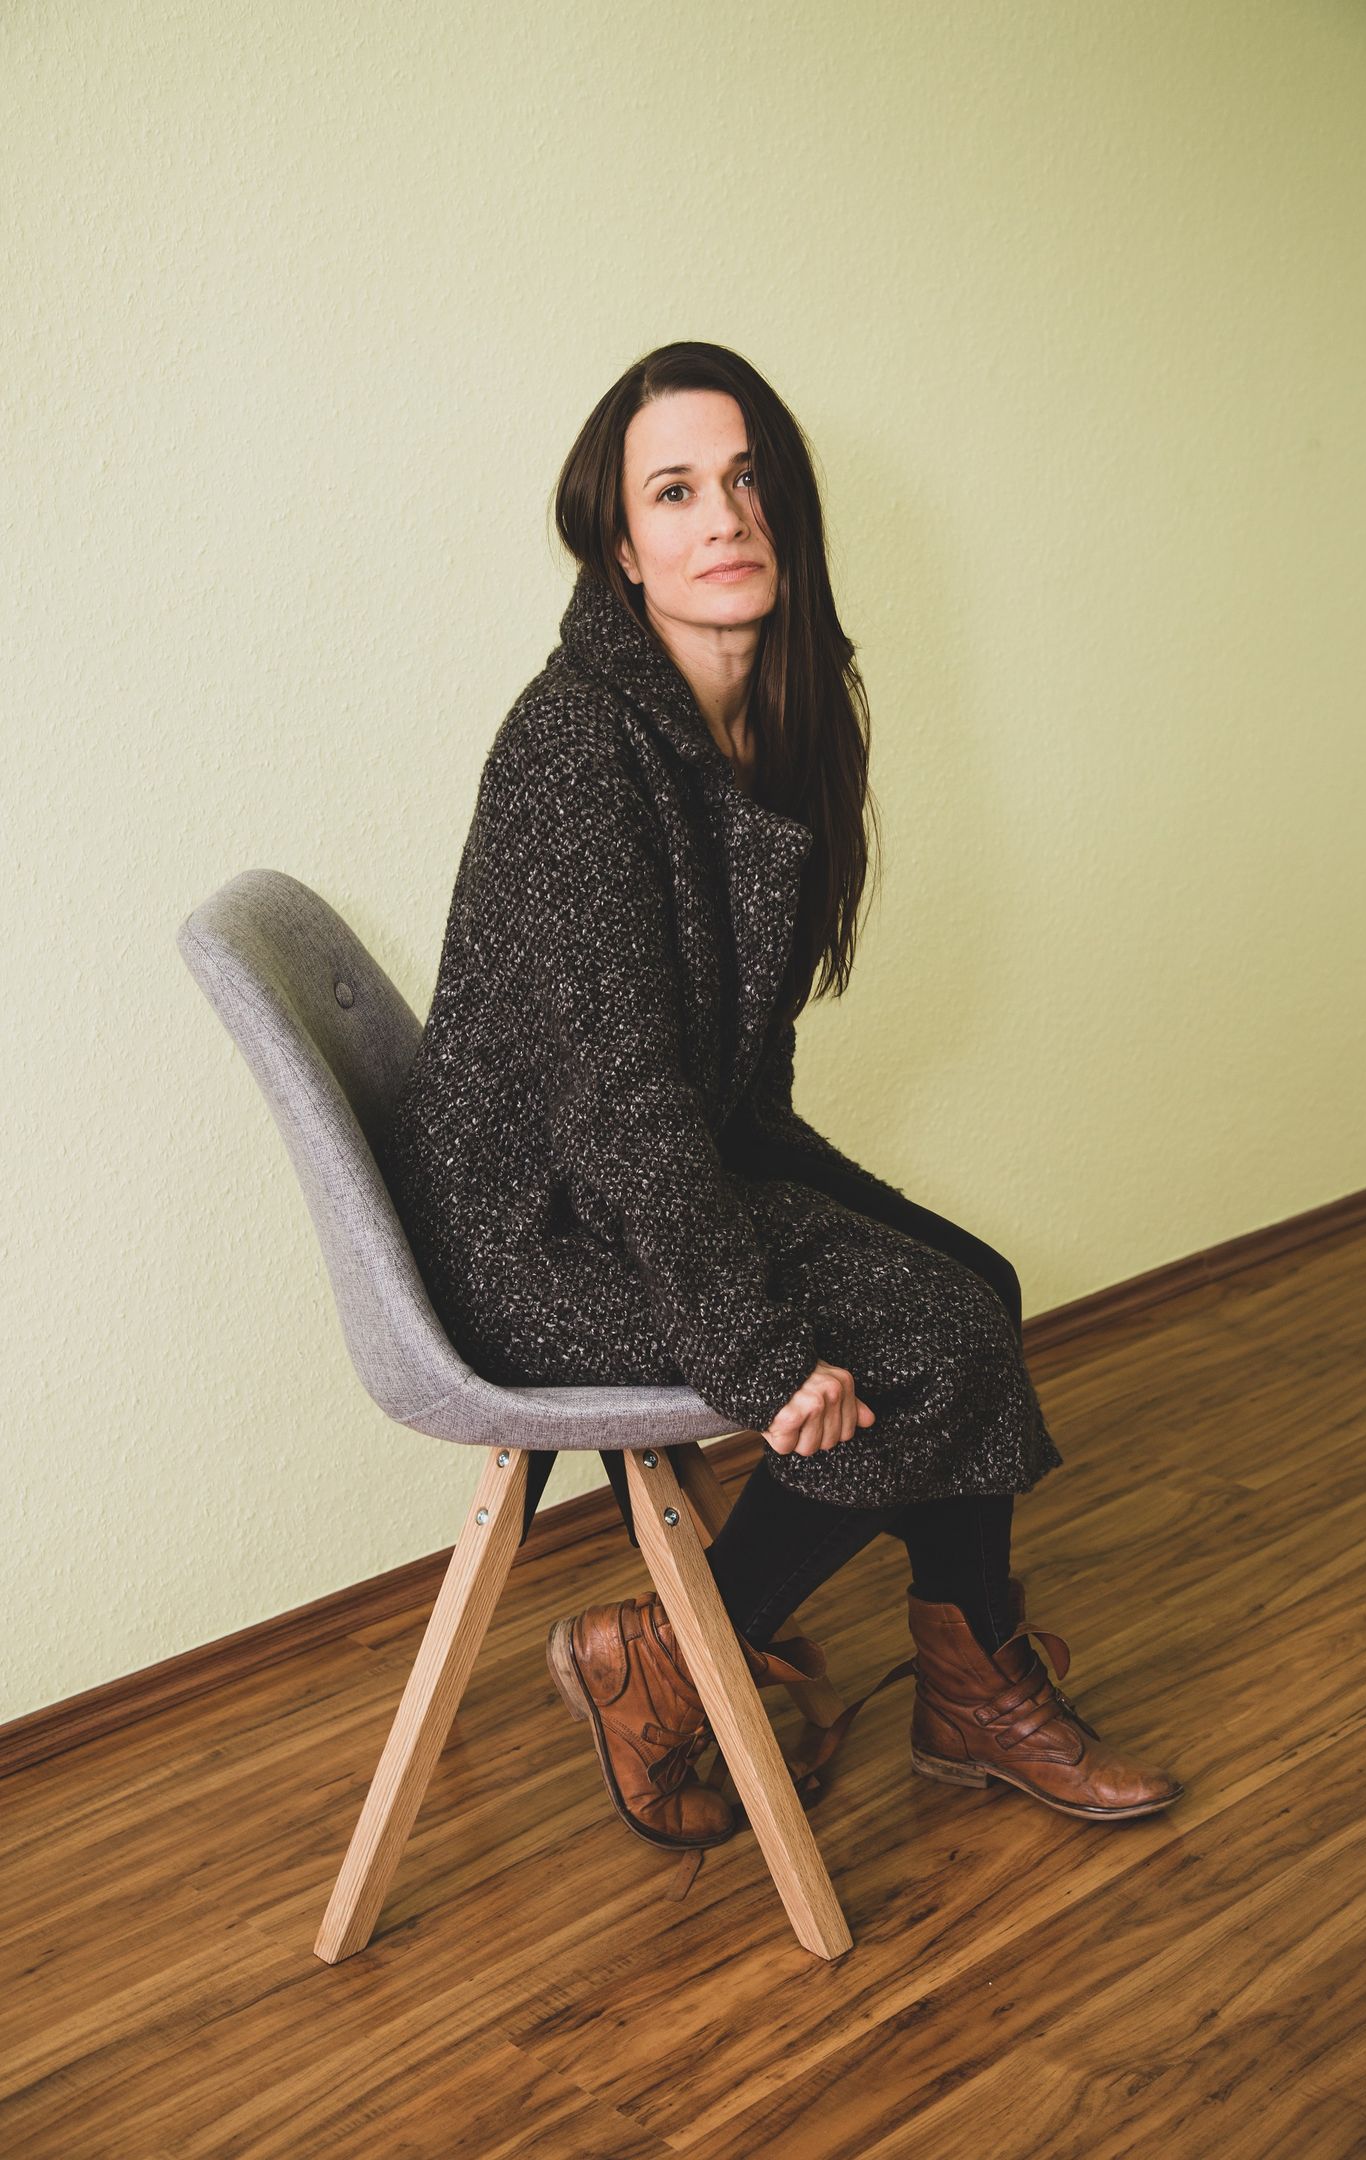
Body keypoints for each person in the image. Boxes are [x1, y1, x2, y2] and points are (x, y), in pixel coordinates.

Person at [379, 340, 1182, 1858]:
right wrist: (756, 1347)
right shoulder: (577, 748)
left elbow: (736, 1070)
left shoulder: (770, 722)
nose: (724, 516)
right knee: (935, 1336)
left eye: (746, 479)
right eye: (676, 491)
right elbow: (623, 1103)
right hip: (535, 1237)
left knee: (975, 1283)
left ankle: (960, 1683)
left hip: (643, 1185)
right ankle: (670, 1658)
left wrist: (827, 1227)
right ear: (624, 548)